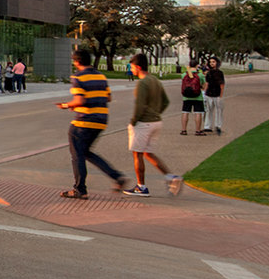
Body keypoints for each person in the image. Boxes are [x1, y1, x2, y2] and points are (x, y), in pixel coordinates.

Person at [57, 48, 127, 199]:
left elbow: (80, 100)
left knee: (77, 155)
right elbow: (108, 98)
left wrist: (66, 105)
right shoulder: (101, 76)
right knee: (86, 152)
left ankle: (79, 189)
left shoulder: (78, 77)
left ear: (76, 62)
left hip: (84, 121)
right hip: (101, 120)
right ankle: (116, 177)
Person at [124, 54, 182, 196]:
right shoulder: (155, 80)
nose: (131, 70)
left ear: (138, 67)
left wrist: (133, 121)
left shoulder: (143, 83)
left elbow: (140, 105)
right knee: (148, 153)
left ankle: (141, 187)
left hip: (144, 123)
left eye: (132, 67)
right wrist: (156, 112)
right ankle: (171, 177)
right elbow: (166, 101)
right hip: (156, 121)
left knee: (137, 154)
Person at [179, 62, 205, 135]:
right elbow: (204, 86)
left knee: (185, 112)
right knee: (198, 113)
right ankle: (198, 130)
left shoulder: (184, 75)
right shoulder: (200, 75)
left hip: (186, 97)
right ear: (197, 66)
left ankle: (184, 130)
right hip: (198, 97)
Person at [203, 56, 226, 135]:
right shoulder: (209, 73)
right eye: (210, 62)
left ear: (217, 63)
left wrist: (221, 95)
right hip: (209, 93)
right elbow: (207, 83)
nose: (212, 63)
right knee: (208, 110)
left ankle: (218, 125)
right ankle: (207, 126)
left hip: (217, 94)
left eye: (213, 62)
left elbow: (222, 84)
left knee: (218, 110)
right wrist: (204, 93)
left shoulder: (219, 73)